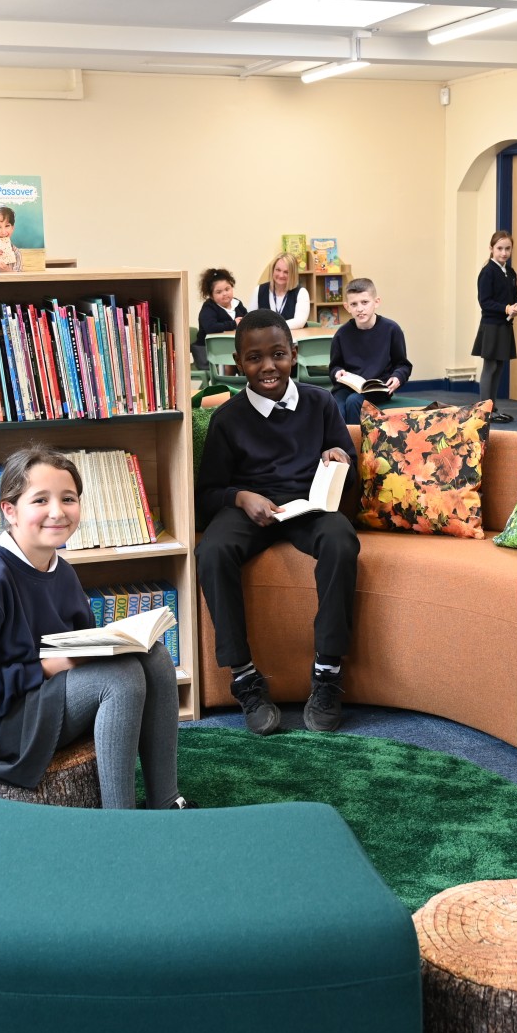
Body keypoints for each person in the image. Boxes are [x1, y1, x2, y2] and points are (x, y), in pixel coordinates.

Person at [0, 445, 190, 810]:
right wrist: (44, 667)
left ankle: (167, 800)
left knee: (155, 656)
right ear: (10, 510)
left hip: (48, 697)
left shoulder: (61, 569)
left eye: (68, 499)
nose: (58, 512)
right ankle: (122, 823)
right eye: (40, 500)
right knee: (121, 678)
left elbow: (77, 645)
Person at [196, 310, 358, 735]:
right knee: (212, 551)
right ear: (237, 362)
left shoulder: (321, 403)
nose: (268, 366)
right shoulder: (227, 419)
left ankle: (327, 672)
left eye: (278, 354)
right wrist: (240, 496)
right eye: (254, 358)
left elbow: (348, 465)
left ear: (295, 355)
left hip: (308, 507)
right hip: (251, 510)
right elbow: (207, 494)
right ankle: (244, 677)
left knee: (341, 540)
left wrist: (339, 459)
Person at [328, 277, 412, 425]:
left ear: (376, 302)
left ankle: (354, 446)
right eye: (354, 304)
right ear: (347, 307)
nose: (360, 309)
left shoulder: (391, 329)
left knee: (354, 402)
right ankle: (338, 446)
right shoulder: (342, 334)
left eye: (365, 302)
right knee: (335, 406)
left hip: (377, 387)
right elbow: (334, 366)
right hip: (348, 386)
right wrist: (337, 372)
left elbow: (403, 364)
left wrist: (398, 376)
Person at [473, 230, 517, 423]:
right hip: (491, 325)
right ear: (491, 249)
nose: (504, 253)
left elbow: (513, 297)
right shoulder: (488, 271)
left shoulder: (510, 272)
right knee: (490, 366)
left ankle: (492, 407)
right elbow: (485, 301)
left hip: (505, 325)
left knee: (499, 366)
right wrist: (506, 308)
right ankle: (483, 411)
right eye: (499, 248)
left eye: (507, 249)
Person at [194, 267, 249, 368]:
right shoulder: (209, 308)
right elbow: (210, 327)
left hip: (233, 349)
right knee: (229, 362)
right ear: (211, 295)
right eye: (219, 292)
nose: (225, 294)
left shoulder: (237, 303)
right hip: (211, 354)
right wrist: (233, 324)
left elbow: (248, 319)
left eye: (227, 289)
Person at [255, 252, 311, 332]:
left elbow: (300, 322)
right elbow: (250, 320)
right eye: (278, 270)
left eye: (286, 272)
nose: (281, 275)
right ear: (273, 270)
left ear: (293, 274)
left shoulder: (301, 292)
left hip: (292, 342)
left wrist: (272, 327)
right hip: (265, 342)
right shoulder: (259, 290)